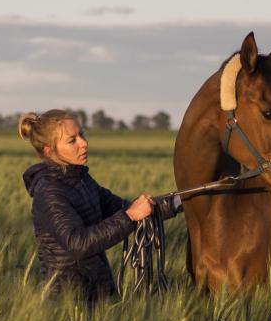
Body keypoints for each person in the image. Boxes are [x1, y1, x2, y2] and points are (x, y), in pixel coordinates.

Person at [19, 109, 181, 302]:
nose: (84, 143)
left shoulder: (81, 180)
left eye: (82, 134)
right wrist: (129, 217)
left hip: (99, 295)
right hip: (68, 302)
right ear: (49, 150)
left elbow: (124, 207)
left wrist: (184, 200)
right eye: (72, 140)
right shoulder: (49, 192)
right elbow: (78, 244)